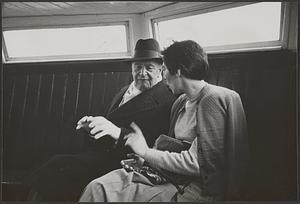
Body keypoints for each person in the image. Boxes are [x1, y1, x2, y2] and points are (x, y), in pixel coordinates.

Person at [79, 40, 249, 202]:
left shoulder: (212, 99)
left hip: (194, 185)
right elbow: (172, 146)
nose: (164, 76)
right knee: (97, 186)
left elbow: (198, 164)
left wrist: (146, 152)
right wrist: (144, 159)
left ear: (179, 72)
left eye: (165, 69)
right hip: (169, 174)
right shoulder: (181, 102)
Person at [22, 38, 176, 201]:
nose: (142, 73)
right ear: (131, 68)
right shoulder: (124, 90)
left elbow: (155, 143)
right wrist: (93, 129)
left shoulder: (166, 99)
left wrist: (117, 132)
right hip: (102, 154)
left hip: (127, 164)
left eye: (149, 68)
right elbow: (110, 124)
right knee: (53, 163)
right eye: (137, 67)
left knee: (59, 168)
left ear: (161, 69)